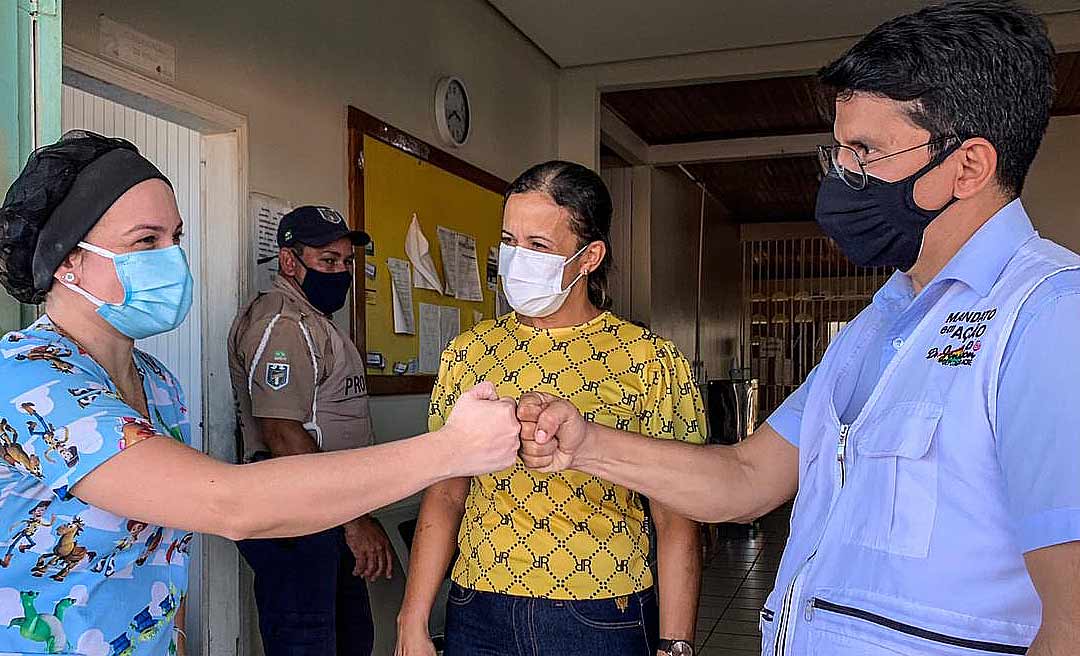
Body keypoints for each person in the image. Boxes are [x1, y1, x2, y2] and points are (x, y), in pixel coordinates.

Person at [517, 3, 1080, 655]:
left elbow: (1070, 623)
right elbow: (746, 477)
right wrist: (584, 445)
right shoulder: (880, 324)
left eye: (864, 151)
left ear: (969, 166)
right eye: (837, 149)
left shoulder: (1047, 318)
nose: (838, 175)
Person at [0, 130, 520, 656]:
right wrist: (451, 449)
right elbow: (228, 502)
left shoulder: (155, 381)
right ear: (67, 260)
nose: (173, 258)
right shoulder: (29, 380)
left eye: (175, 237)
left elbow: (161, 554)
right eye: (145, 242)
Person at [395, 161, 706, 656]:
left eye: (538, 246)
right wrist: (411, 619)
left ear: (589, 257)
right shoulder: (469, 353)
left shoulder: (648, 360)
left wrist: (676, 644)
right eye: (509, 240)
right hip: (479, 606)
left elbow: (676, 518)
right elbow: (446, 494)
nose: (517, 259)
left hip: (601, 612)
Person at [228, 205, 392, 655]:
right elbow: (281, 432)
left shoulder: (314, 321)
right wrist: (354, 519)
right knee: (310, 643)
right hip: (301, 519)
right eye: (327, 261)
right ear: (289, 262)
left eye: (344, 262)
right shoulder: (284, 324)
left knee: (349, 639)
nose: (339, 272)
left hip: (328, 512)